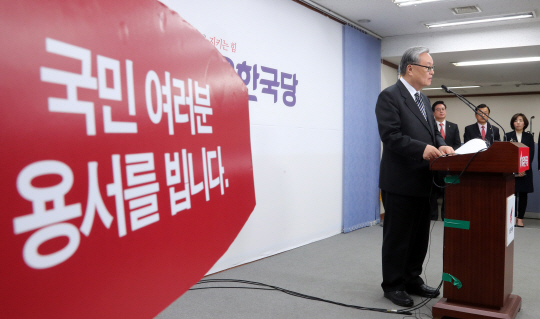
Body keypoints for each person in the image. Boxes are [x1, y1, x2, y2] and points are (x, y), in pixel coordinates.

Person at [375, 46, 454, 307]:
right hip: (399, 181)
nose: (432, 72)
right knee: (398, 237)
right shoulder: (389, 96)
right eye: (428, 67)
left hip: (423, 181)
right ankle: (393, 284)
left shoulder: (424, 99)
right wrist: (422, 149)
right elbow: (391, 136)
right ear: (410, 68)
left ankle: (412, 278)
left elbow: (433, 133)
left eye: (432, 67)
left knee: (420, 236)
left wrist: (441, 144)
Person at [430, 101, 461, 221]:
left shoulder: (453, 126)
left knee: (448, 191)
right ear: (433, 112)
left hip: (449, 164)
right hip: (434, 163)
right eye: (438, 109)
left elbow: (457, 144)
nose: (441, 111)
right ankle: (432, 216)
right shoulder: (430, 127)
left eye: (443, 109)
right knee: (432, 192)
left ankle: (445, 215)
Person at [505, 114, 535, 227]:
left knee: (523, 195)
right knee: (512, 195)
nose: (518, 122)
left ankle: (520, 219)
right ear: (513, 123)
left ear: (524, 123)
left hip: (525, 171)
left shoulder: (529, 137)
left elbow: (530, 154)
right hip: (512, 171)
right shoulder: (507, 136)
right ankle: (513, 218)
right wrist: (515, 170)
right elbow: (507, 154)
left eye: (520, 120)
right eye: (516, 120)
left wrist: (523, 169)